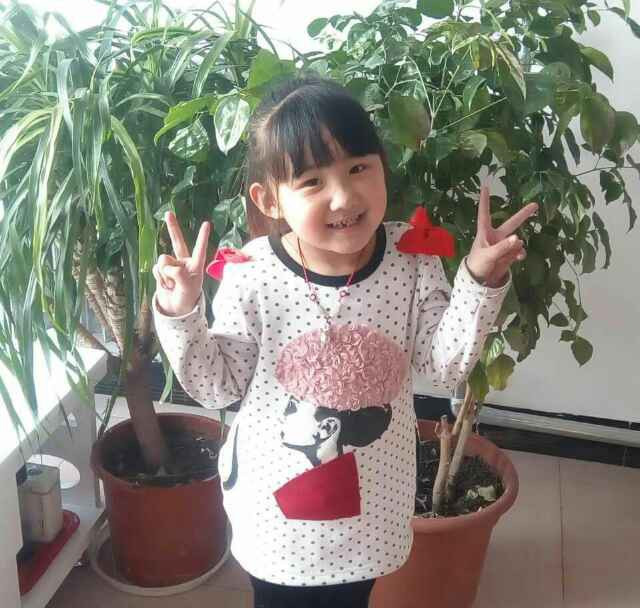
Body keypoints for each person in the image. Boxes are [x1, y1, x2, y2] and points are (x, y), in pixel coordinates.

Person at [152, 76, 537, 608]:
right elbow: (217, 388)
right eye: (312, 181)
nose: (344, 195)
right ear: (270, 199)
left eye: (358, 168)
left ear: (382, 166)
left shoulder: (411, 259)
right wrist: (181, 312)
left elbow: (444, 367)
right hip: (273, 517)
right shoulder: (252, 273)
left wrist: (479, 279)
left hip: (371, 515)